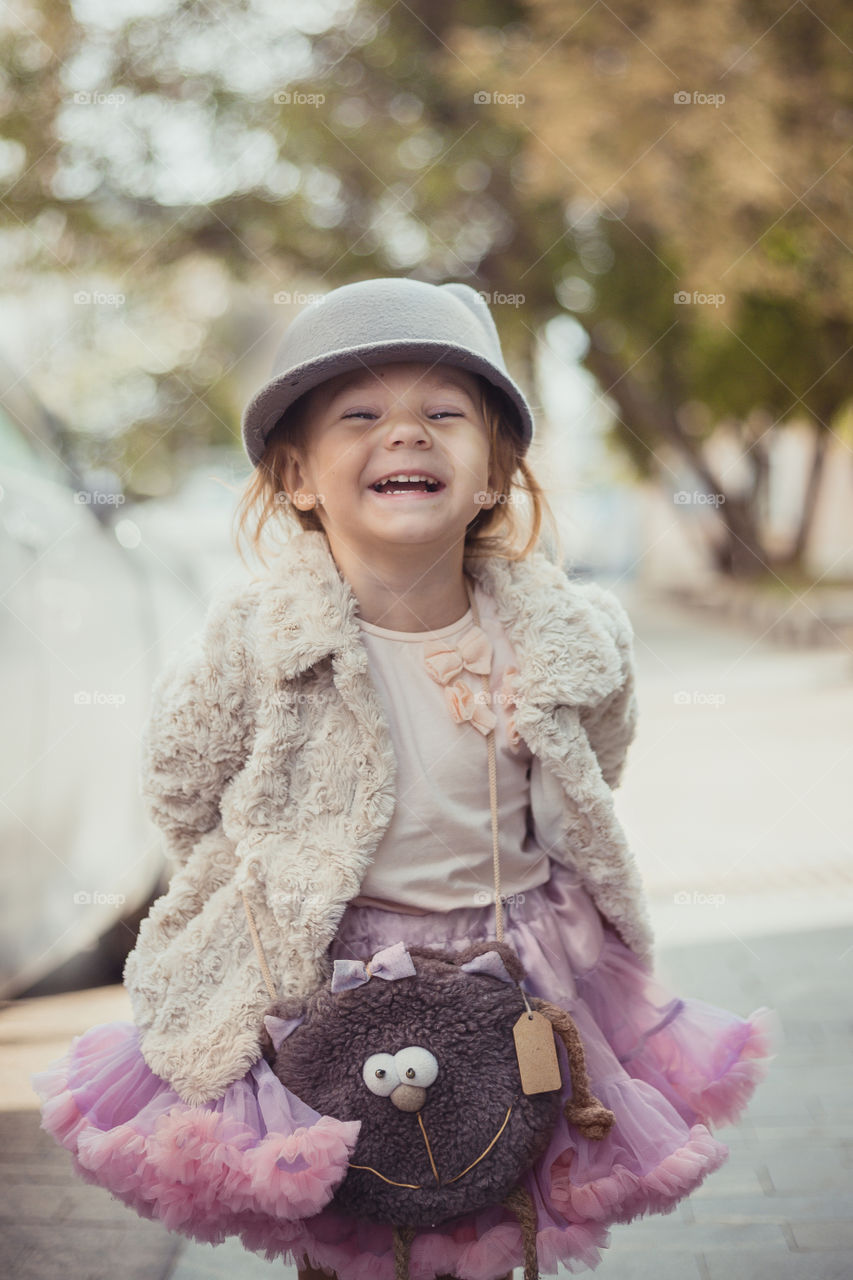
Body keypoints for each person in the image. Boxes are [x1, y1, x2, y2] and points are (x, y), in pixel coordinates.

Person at [32, 277, 779, 1280]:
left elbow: (595, 752)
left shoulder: (557, 635)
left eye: (442, 414)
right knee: (351, 1226)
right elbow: (183, 782)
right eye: (362, 416)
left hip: (512, 964)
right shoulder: (257, 643)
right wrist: (265, 879)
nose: (405, 435)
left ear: (492, 474)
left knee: (491, 1193)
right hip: (331, 970)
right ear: (298, 476)